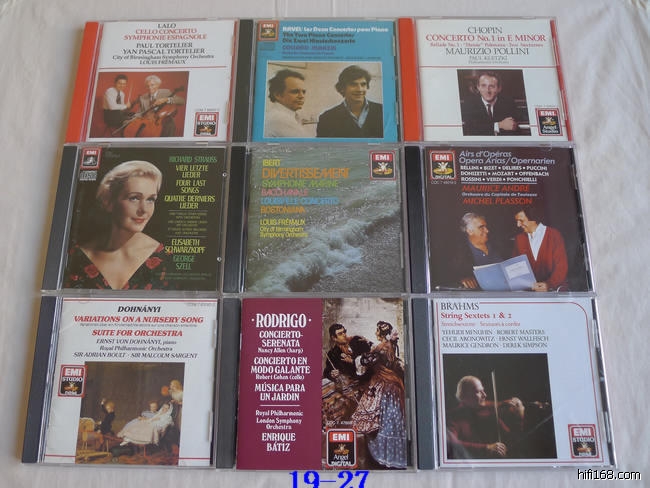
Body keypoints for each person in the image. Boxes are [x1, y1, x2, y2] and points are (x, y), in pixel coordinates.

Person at [64, 160, 173, 290]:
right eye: (134, 198)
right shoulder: (78, 256)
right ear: (108, 201)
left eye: (150, 199)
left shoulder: (165, 257)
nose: (144, 209)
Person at [350, 321, 407, 469]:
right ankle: (394, 455)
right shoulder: (389, 345)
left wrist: (355, 358)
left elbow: (367, 360)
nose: (375, 333)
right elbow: (379, 352)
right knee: (393, 418)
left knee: (384, 419)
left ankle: (384, 455)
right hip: (394, 384)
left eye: (377, 331)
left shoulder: (381, 348)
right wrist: (369, 343)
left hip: (384, 385)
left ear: (380, 333)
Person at [446, 376, 524, 459]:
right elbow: (451, 443)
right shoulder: (453, 417)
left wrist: (519, 417)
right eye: (478, 392)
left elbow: (513, 439)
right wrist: (486, 448)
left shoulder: (488, 413)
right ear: (464, 396)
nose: (485, 395)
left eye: (483, 390)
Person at [316, 65, 383, 138]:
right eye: (353, 84)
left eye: (363, 84)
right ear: (342, 88)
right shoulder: (327, 118)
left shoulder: (382, 110)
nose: (359, 89)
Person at [513, 206, 569, 291]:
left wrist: (549, 285)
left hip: (553, 289)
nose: (518, 225)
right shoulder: (519, 239)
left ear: (533, 219)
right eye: (517, 221)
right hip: (529, 291)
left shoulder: (554, 235)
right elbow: (516, 267)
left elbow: (561, 267)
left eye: (521, 220)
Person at [447, 212, 504, 289]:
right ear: (470, 231)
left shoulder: (498, 244)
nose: (487, 230)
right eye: (481, 227)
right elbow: (450, 275)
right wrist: (462, 279)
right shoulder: (459, 253)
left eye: (486, 226)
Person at [461, 71, 522, 136]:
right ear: (478, 87)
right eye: (483, 86)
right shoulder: (469, 104)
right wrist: (499, 125)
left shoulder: (509, 104)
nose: (487, 90)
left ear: (499, 88)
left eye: (492, 86)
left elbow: (512, 129)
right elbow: (470, 129)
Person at [264, 69, 311, 137]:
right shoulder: (280, 118)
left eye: (303, 92)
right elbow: (307, 142)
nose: (302, 96)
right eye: (295, 92)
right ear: (278, 95)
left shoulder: (282, 115)